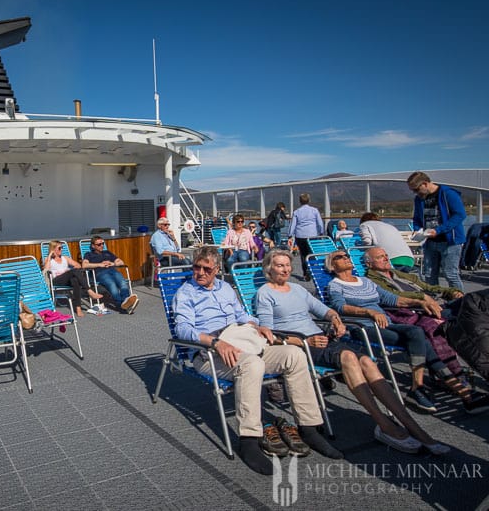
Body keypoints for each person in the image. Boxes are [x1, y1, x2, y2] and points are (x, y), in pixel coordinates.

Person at [256, 249, 450, 454]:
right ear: (269, 269)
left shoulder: (297, 289)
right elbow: (270, 334)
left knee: (367, 361)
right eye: (279, 265)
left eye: (287, 265)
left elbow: (326, 310)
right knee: (349, 357)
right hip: (301, 345)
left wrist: (335, 320)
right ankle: (384, 425)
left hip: (323, 339)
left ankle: (413, 427)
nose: (286, 269)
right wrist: (305, 340)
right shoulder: (265, 293)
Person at [173, 246, 342, 475]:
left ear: (217, 269)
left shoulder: (225, 288)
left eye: (206, 269)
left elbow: (242, 316)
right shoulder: (185, 293)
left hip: (243, 342)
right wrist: (216, 343)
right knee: (252, 364)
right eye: (196, 267)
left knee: (294, 355)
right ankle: (250, 440)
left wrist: (258, 325)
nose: (200, 272)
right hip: (209, 353)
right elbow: (182, 330)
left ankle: (309, 426)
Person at [326, 250, 468, 413]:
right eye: (339, 257)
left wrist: (418, 301)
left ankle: (430, 388)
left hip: (386, 324)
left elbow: (392, 299)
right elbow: (339, 306)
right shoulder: (335, 285)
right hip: (363, 327)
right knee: (417, 335)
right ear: (332, 266)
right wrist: (370, 312)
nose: (345, 258)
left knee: (418, 336)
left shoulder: (365, 281)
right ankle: (450, 389)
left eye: (346, 256)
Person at [363, 247, 489, 414]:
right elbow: (392, 297)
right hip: (421, 311)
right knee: (459, 319)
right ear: (369, 264)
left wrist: (451, 292)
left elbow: (427, 286)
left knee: (478, 299)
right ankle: (464, 375)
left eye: (386, 255)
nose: (386, 258)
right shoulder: (370, 281)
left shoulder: (401, 274)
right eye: (380, 257)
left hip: (438, 305)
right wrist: (423, 299)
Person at [407, 171, 466, 290]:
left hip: (450, 241)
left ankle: (459, 302)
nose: (415, 193)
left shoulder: (448, 194)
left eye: (416, 189)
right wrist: (418, 230)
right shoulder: (419, 199)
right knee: (429, 274)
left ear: (425, 184)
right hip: (429, 241)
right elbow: (417, 218)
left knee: (450, 274)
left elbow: (459, 215)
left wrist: (439, 230)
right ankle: (433, 301)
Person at [44, 240, 103, 318]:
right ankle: (89, 291)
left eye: (62, 248)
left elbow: (78, 265)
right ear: (53, 249)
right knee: (73, 272)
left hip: (67, 279)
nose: (61, 249)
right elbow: (46, 270)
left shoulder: (65, 258)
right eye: (59, 248)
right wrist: (50, 256)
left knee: (75, 280)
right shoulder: (48, 260)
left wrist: (68, 271)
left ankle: (78, 308)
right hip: (56, 280)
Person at [81, 235, 139, 313]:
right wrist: (99, 264)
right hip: (100, 273)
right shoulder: (89, 254)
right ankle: (121, 305)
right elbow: (84, 265)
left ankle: (126, 303)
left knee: (123, 283)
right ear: (93, 246)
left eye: (102, 243)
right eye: (99, 244)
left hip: (112, 270)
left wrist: (113, 264)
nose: (101, 245)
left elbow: (121, 262)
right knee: (112, 284)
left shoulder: (107, 252)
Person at [288, 193, 324, 281]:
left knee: (303, 255)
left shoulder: (296, 212)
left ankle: (305, 273)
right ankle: (312, 270)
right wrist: (321, 232)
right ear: (309, 200)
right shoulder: (314, 210)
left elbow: (293, 225)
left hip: (300, 235)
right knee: (312, 254)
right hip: (312, 235)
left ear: (300, 201)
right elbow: (320, 223)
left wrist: (290, 235)